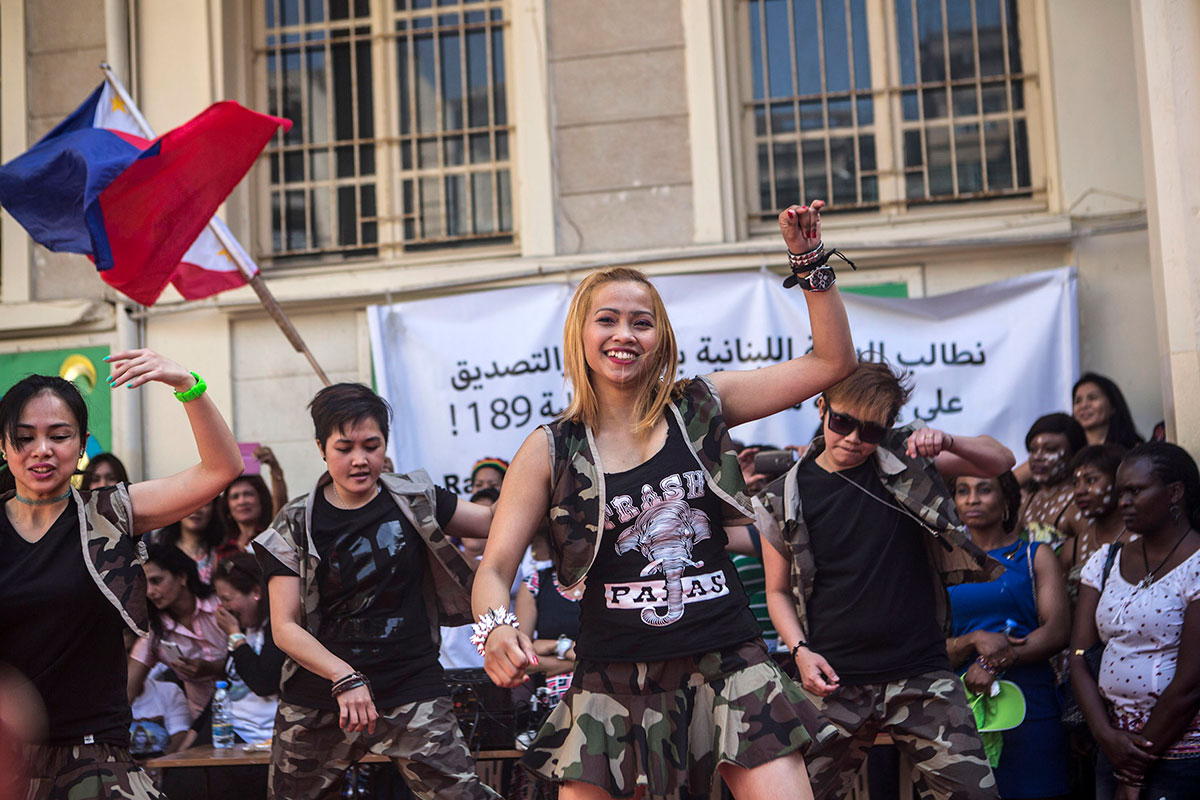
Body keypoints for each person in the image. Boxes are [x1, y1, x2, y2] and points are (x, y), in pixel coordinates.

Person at [474, 199, 857, 800]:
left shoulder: (700, 406)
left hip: (729, 664)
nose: (624, 334)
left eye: (642, 322)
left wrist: (809, 263)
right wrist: (496, 630)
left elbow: (832, 362)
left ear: (661, 337)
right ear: (581, 334)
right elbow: (495, 567)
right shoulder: (550, 448)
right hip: (612, 682)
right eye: (607, 320)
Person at [757, 358, 1016, 800]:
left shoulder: (906, 459)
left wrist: (947, 440)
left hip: (921, 674)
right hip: (835, 679)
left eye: (871, 430)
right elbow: (777, 591)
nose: (854, 438)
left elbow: (1001, 460)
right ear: (821, 407)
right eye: (843, 422)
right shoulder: (782, 495)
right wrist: (800, 652)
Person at [0, 348, 242, 800]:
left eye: (59, 435)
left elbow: (222, 469)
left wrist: (186, 385)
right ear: (3, 445)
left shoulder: (111, 512)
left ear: (83, 444)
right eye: (24, 437)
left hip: (95, 755)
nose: (42, 450)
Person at [253, 382, 500, 799]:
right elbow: (285, 627)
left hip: (410, 685)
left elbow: (494, 523)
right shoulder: (294, 523)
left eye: (371, 446)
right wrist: (344, 677)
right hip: (320, 693)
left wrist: (547, 479)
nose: (360, 459)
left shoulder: (415, 499)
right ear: (321, 448)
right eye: (344, 448)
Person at [1069, 442, 1200, 800]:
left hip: (1181, 751)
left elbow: (1191, 682)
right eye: (1120, 492)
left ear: (1175, 492)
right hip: (1113, 745)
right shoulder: (1105, 560)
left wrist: (1135, 766)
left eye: (1135, 491)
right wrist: (1106, 736)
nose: (1123, 501)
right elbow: (1079, 655)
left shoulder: (1196, 563)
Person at [948, 472, 1071, 799]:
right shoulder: (942, 562)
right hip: (960, 709)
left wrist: (993, 662)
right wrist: (971, 640)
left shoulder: (1034, 555)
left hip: (1027, 702)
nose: (972, 499)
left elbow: (1058, 630)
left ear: (1006, 501)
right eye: (963, 491)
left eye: (984, 490)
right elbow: (926, 643)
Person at [129, 544, 228, 719]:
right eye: (144, 584)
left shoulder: (220, 606)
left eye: (156, 581)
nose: (150, 592)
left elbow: (253, 657)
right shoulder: (154, 633)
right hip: (202, 723)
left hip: (250, 714)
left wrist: (213, 668)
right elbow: (128, 689)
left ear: (182, 576)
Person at [212, 553, 283, 744]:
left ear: (256, 592)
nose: (224, 608)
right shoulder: (245, 629)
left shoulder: (278, 628)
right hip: (231, 731)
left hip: (263, 736)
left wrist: (235, 636)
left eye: (227, 599)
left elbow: (263, 684)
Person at [1060, 444, 1131, 600]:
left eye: (1091, 480)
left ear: (1119, 481)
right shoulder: (1072, 548)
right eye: (1075, 483)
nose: (1080, 491)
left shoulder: (1141, 539)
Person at [1018, 413, 1087, 543]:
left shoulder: (1081, 500)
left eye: (1050, 449)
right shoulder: (1028, 501)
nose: (1038, 457)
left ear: (1074, 456)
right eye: (1033, 450)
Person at [156, 498, 226, 584]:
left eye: (204, 503)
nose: (196, 510)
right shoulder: (160, 550)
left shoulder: (223, 551)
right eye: (190, 502)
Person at [1072, 373, 1143, 449]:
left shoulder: (1135, 449)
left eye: (1092, 398)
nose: (1083, 405)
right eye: (1078, 401)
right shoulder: (1069, 451)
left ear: (1113, 405)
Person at [219, 474, 273, 558]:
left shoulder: (271, 537)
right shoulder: (225, 547)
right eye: (235, 497)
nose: (242, 502)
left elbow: (280, 503)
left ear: (261, 499)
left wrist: (276, 473)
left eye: (248, 494)